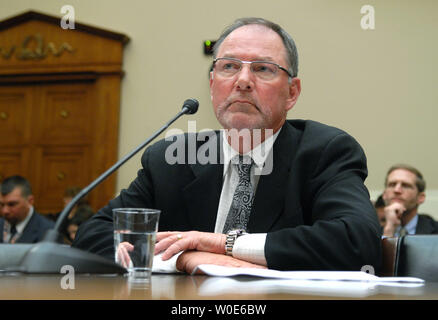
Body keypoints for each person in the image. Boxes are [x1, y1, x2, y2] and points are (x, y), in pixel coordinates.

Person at [73, 17, 381, 273]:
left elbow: (357, 242)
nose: (243, 80)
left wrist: (224, 246)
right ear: (212, 86)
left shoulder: (325, 152)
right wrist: (185, 259)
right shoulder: (171, 159)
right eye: (229, 66)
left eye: (263, 68)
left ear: (292, 93)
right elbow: (94, 236)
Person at [381, 164, 438, 237]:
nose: (397, 190)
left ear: (420, 197)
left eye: (405, 185)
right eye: (392, 185)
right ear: (384, 195)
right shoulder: (370, 231)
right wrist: (389, 230)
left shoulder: (435, 230)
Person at [0, 175, 54, 243]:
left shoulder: (49, 232)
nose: (5, 211)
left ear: (30, 201)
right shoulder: (1, 224)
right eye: (1, 204)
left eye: (12, 204)